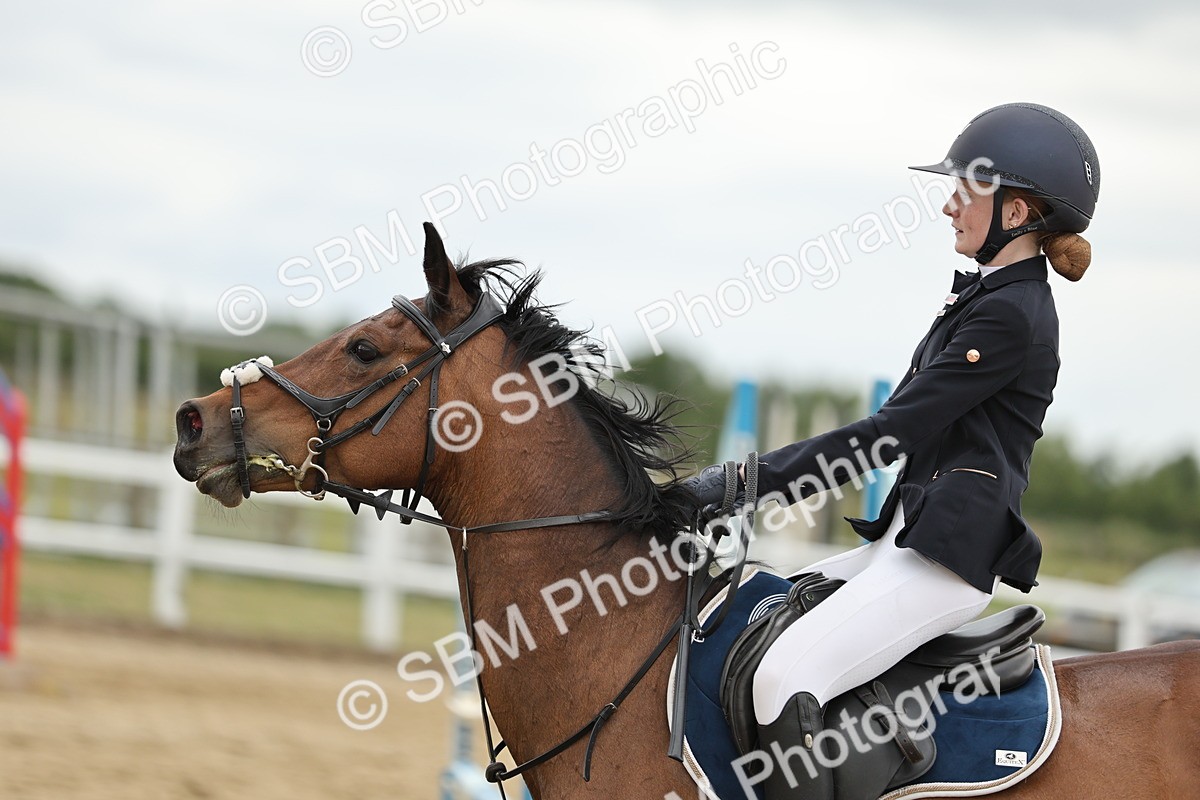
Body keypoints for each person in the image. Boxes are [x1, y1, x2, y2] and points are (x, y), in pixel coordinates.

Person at [684, 102, 1099, 799]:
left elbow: (885, 436)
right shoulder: (982, 298)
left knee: (787, 680)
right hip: (907, 541)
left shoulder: (1010, 313)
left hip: (946, 558)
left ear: (1019, 213)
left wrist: (741, 483)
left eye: (968, 190)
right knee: (764, 610)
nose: (949, 205)